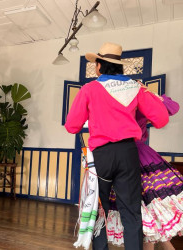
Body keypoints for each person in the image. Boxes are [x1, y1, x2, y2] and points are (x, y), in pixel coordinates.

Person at [65, 42, 169, 250]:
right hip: (128, 153)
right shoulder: (136, 87)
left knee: (98, 209)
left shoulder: (89, 89)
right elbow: (162, 119)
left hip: (101, 155)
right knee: (131, 211)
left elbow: (72, 126)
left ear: (100, 66)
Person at [106, 93, 183, 249]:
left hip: (135, 156)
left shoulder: (137, 104)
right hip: (131, 157)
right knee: (149, 209)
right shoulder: (123, 105)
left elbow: (173, 108)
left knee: (150, 207)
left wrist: (150, 94)